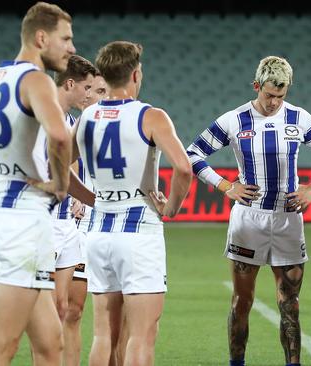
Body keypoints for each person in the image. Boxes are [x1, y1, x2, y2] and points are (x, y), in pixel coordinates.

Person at [187, 56, 311, 366]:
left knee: (290, 303)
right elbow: (193, 153)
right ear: (257, 86)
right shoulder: (235, 119)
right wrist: (225, 185)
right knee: (242, 301)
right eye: (269, 95)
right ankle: (237, 363)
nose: (274, 102)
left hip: (288, 219)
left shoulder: (298, 118)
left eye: (280, 96)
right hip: (249, 218)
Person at [0, 2, 75, 364]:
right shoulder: (35, 79)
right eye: (65, 38)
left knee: (51, 344)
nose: (71, 47)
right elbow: (59, 134)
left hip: (4, 217)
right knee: (0, 349)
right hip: (22, 225)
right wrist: (59, 184)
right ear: (41, 38)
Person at [76, 41, 192, 366]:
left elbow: (57, 167)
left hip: (98, 233)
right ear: (136, 74)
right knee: (141, 337)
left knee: (103, 336)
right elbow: (184, 168)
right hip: (139, 229)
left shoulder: (87, 116)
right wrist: (171, 209)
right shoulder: (150, 116)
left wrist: (92, 198)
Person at [31, 54, 96, 365]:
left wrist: (83, 197)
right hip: (39, 225)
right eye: (86, 87)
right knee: (38, 315)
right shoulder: (39, 115)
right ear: (70, 83)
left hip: (68, 225)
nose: (90, 93)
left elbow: (68, 168)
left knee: (65, 309)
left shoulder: (72, 121)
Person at [64, 69, 106, 366]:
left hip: (113, 227)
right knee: (72, 309)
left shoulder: (125, 126)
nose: (91, 94)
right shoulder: (68, 123)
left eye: (100, 90)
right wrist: (76, 196)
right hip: (78, 227)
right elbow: (58, 165)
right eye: (89, 89)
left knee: (115, 315)